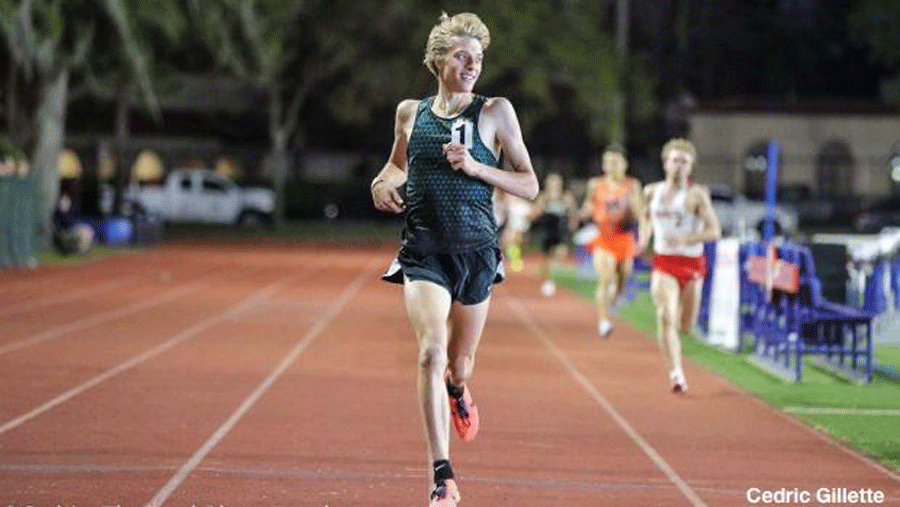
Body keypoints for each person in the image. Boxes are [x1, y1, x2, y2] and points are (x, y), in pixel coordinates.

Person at [370, 12, 538, 507]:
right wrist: (382, 184)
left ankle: (459, 390)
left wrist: (478, 166)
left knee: (458, 366)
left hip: (477, 253)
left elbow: (528, 183)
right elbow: (396, 166)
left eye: (478, 59)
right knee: (429, 352)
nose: (472, 66)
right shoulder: (410, 113)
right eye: (463, 56)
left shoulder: (495, 112)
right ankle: (442, 474)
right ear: (437, 60)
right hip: (423, 251)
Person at [643, 138, 721, 393]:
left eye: (684, 162)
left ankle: (676, 353)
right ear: (666, 163)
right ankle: (676, 374)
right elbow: (646, 219)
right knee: (666, 316)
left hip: (691, 264)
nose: (679, 166)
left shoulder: (696, 195)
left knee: (685, 326)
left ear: (691, 167)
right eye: (675, 160)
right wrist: (644, 240)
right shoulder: (651, 192)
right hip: (664, 262)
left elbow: (714, 231)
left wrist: (689, 238)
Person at [580, 145, 647, 337]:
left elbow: (640, 213)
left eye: (616, 162)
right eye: (608, 162)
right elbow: (589, 203)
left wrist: (632, 207)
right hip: (603, 239)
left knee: (623, 278)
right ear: (603, 164)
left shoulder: (632, 185)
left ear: (624, 165)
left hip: (624, 238)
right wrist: (584, 211)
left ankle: (614, 300)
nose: (612, 166)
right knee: (605, 276)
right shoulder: (595, 184)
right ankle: (603, 322)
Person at [529, 172, 577, 296]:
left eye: (556, 182)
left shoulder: (566, 196)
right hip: (547, 231)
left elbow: (573, 212)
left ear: (561, 183)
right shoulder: (543, 197)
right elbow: (534, 214)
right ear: (547, 184)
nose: (554, 184)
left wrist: (573, 222)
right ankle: (548, 280)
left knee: (559, 254)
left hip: (560, 231)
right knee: (546, 260)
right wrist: (538, 211)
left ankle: (552, 280)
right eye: (552, 182)